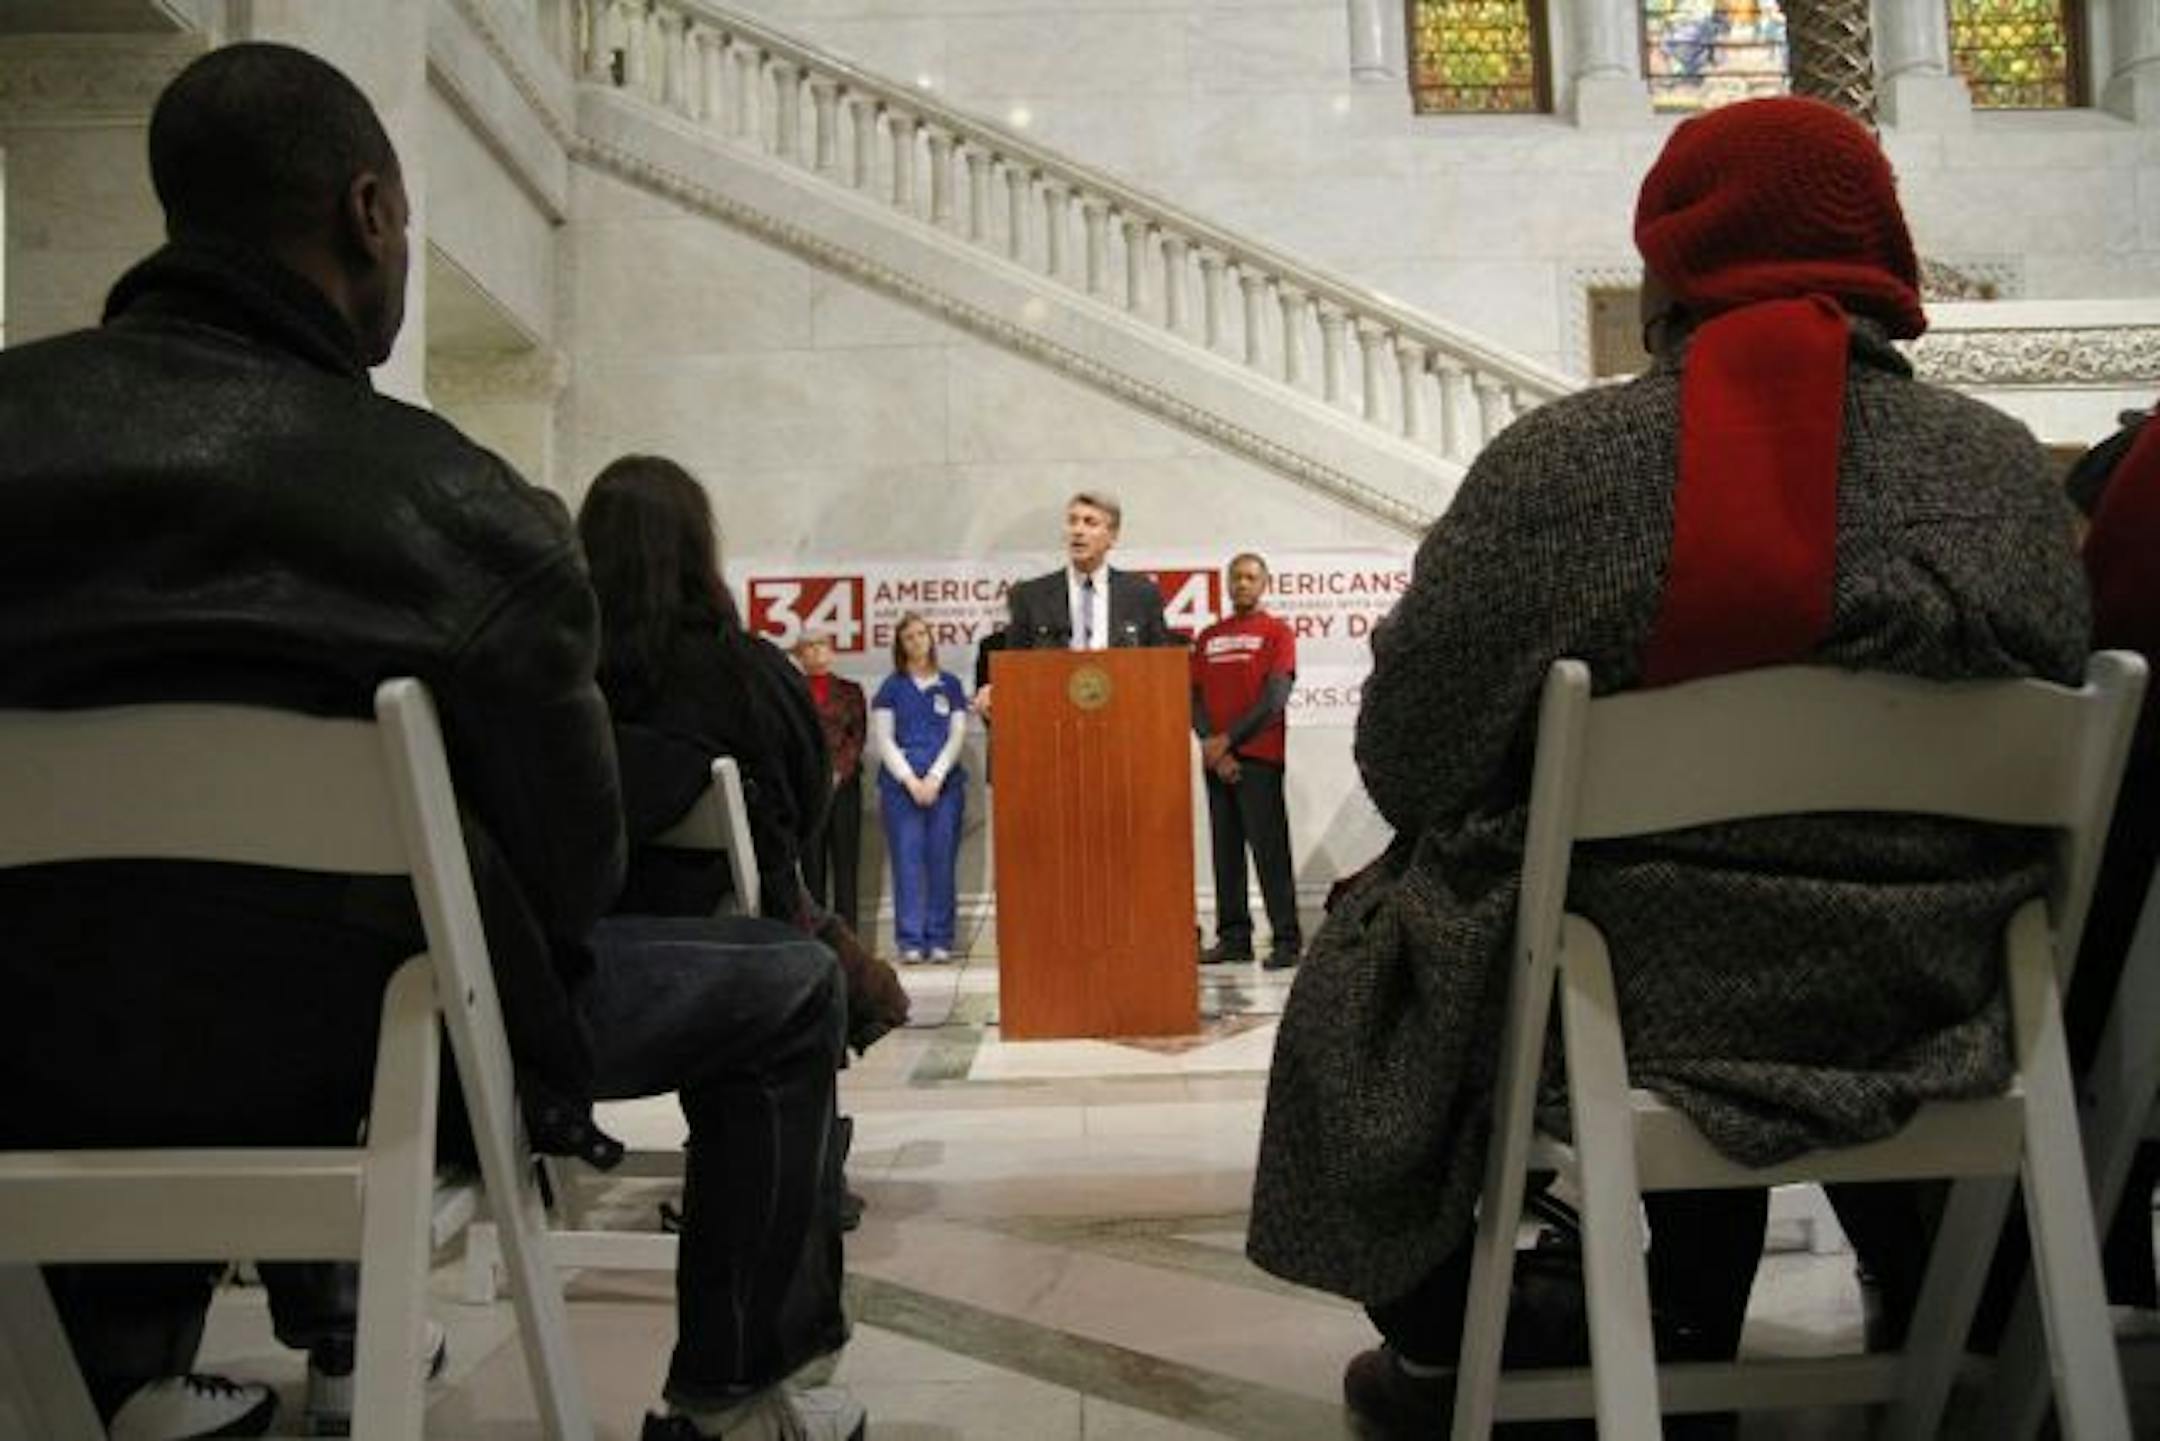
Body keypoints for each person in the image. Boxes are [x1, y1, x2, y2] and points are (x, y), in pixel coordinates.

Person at [0, 45, 862, 1441]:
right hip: (373, 1053)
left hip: (34, 1035)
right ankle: (731, 1405)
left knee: (124, 940)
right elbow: (572, 877)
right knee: (780, 983)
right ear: (369, 216)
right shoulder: (460, 505)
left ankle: (127, 1372)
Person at [1246, 97, 2090, 1439]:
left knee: (1390, 935)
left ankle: (1502, 1327)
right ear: (1884, 244)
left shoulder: (1573, 467)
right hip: (1942, 994)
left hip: (1631, 995)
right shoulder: (2003, 473)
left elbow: (1407, 755)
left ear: (1671, 258)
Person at [576, 455, 908, 1050]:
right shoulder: (749, 674)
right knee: (795, 947)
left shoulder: (553, 673)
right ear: (701, 550)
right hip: (731, 949)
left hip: (566, 948)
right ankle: (758, 1141)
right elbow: (805, 810)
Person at [1192, 552, 1302, 969]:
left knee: (1270, 851)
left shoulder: (1278, 632)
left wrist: (1227, 741)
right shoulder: (1208, 637)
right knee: (1225, 853)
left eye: (1251, 577)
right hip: (1217, 762)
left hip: (1259, 758)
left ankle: (1287, 939)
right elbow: (1193, 697)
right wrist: (1213, 746)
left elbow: (1274, 699)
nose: (1242, 583)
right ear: (1227, 583)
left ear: (1264, 584)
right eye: (1236, 577)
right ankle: (1234, 938)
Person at [873, 613, 970, 962]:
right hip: (902, 789)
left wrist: (935, 777)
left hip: (944, 785)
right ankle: (911, 940)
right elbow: (884, 739)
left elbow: (957, 735)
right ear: (900, 646)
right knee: (907, 862)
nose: (917, 642)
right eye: (909, 637)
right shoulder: (891, 688)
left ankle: (941, 938)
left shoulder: (951, 685)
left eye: (921, 634)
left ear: (931, 638)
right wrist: (911, 780)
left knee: (942, 861)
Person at [1000, 491, 1174, 657]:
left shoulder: (1141, 595)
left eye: (1090, 523)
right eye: (1072, 521)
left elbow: (1160, 666)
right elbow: (1015, 669)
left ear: (1112, 536)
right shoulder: (1030, 597)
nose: (1078, 531)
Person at [797, 631, 869, 931]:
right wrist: (813, 775)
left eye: (821, 645)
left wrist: (838, 772)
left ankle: (847, 938)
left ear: (832, 651)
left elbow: (857, 736)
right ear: (799, 655)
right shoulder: (792, 689)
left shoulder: (851, 691)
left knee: (845, 867)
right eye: (809, 647)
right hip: (806, 790)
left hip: (845, 788)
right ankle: (814, 938)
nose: (816, 652)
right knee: (811, 868)